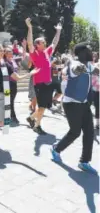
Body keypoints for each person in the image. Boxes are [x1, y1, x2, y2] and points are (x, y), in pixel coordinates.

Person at [51, 42, 99, 174]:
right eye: (89, 50)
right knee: (75, 132)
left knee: (89, 132)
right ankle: (56, 149)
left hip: (84, 104)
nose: (91, 52)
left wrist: (94, 69)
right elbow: (77, 70)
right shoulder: (74, 64)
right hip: (71, 104)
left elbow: (97, 71)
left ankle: (84, 161)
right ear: (82, 52)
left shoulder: (89, 65)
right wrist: (86, 68)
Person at [0, 44, 38, 150]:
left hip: (3, 96)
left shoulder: (6, 66)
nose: (2, 52)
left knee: (2, 122)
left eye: (2, 50)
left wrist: (30, 74)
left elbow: (16, 78)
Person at [25, 18, 62, 134]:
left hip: (48, 83)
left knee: (44, 107)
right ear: (37, 45)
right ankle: (37, 125)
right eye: (42, 42)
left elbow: (54, 43)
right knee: (41, 107)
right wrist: (30, 28)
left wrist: (58, 31)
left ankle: (31, 119)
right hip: (40, 83)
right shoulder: (35, 53)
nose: (45, 43)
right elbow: (29, 43)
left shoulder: (47, 52)